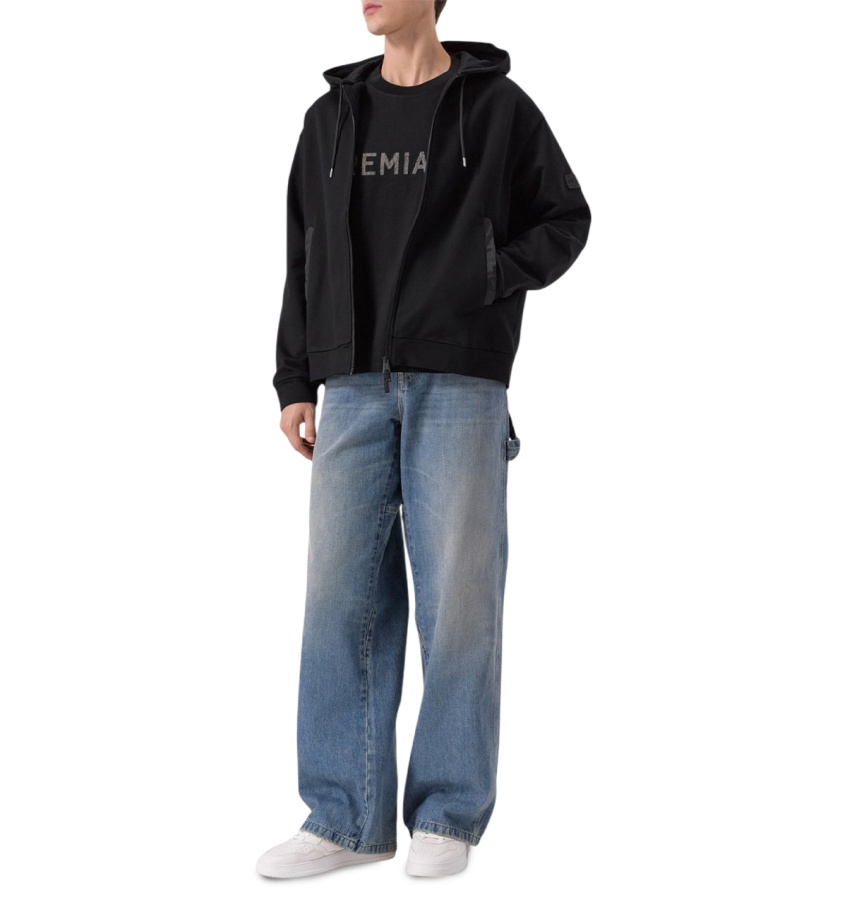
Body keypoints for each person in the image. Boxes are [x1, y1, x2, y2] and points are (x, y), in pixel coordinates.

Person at [258, 0, 591, 879]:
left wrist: (490, 275)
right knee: (339, 603)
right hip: (350, 386)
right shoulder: (328, 118)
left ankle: (447, 812)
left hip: (459, 382)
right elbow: (302, 253)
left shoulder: (498, 108)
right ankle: (344, 818)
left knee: (460, 604)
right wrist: (295, 378)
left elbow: (565, 217)